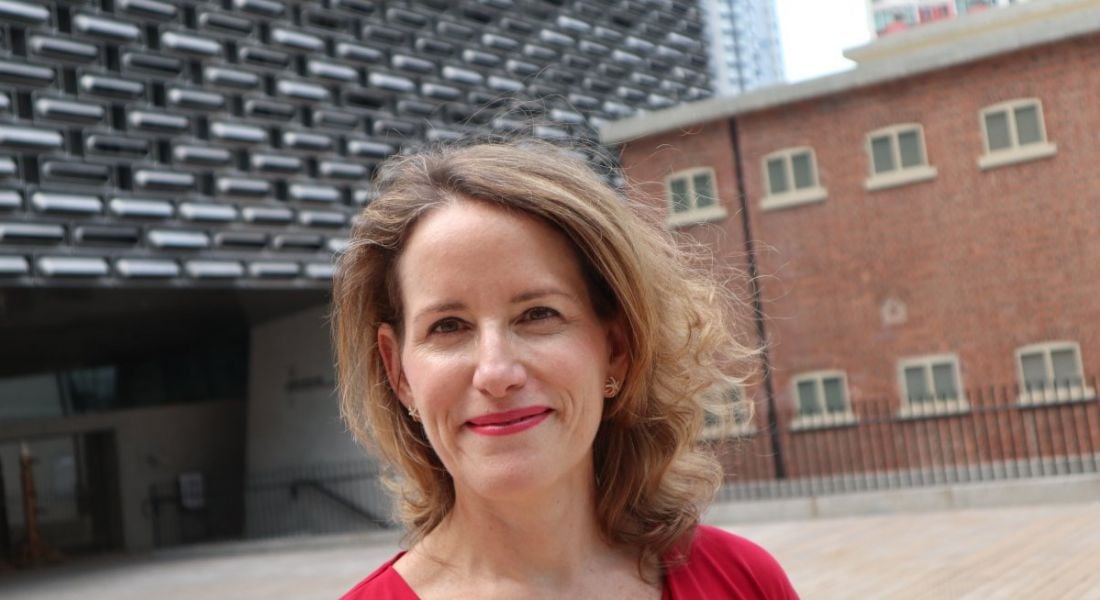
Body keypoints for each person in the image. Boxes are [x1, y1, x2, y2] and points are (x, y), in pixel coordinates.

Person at [332, 138, 798, 599]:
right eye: (448, 326)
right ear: (399, 373)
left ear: (616, 347)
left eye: (538, 315)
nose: (496, 372)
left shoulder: (744, 581)